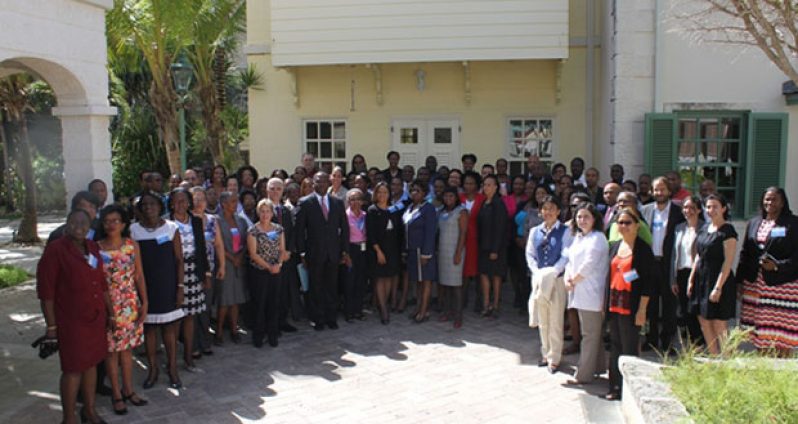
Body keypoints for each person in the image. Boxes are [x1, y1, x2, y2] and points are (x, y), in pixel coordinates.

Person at [37, 209, 114, 424]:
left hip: (95, 317)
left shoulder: (92, 247)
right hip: (71, 321)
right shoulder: (56, 250)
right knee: (73, 369)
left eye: (84, 223)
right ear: (67, 224)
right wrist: (51, 327)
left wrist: (111, 313)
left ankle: (89, 411)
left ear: (90, 226)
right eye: (74, 222)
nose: (79, 226)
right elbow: (46, 293)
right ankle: (69, 418)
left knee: (91, 365)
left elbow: (101, 283)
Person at [97, 205, 149, 415]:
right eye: (107, 221)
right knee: (111, 352)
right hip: (108, 304)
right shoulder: (96, 248)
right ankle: (116, 393)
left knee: (127, 350)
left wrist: (144, 302)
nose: (111, 225)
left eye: (115, 220)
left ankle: (129, 390)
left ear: (124, 224)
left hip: (129, 303)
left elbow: (139, 275)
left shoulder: (131, 245)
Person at [131, 192, 184, 390]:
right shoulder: (134, 230)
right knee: (150, 330)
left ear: (160, 206)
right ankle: (152, 369)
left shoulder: (171, 228)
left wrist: (180, 287)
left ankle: (172, 369)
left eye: (152, 204)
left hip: (168, 286)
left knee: (169, 330)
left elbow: (179, 260)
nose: (149, 208)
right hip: (146, 288)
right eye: (144, 205)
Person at [737, 187, 798, 357]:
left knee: (781, 333)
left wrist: (777, 265)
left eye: (774, 199)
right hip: (754, 285)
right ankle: (763, 363)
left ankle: (783, 366)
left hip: (782, 286)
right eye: (767, 199)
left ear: (783, 202)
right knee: (760, 331)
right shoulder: (754, 222)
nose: (769, 203)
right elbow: (745, 253)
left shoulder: (793, 223)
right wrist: (740, 280)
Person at [605, 208, 655, 400]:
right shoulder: (615, 246)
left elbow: (649, 283)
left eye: (627, 222)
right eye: (620, 222)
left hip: (631, 306)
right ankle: (615, 387)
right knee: (615, 346)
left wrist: (642, 309)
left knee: (630, 348)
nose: (623, 226)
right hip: (614, 304)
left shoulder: (643, 250)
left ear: (637, 225)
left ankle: (630, 389)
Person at [295, 171, 350, 330]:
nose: (322, 184)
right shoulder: (305, 202)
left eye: (325, 181)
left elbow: (344, 228)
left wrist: (344, 251)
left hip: (333, 253)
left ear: (329, 183)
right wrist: (302, 253)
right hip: (314, 253)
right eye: (318, 182)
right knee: (316, 287)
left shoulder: (337, 202)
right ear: (313, 183)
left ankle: (330, 317)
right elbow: (300, 231)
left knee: (331, 287)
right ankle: (317, 318)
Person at [563, 204, 609, 385]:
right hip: (578, 290)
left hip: (592, 292)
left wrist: (573, 280)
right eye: (579, 217)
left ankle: (583, 374)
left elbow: (589, 264)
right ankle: (597, 367)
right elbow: (570, 261)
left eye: (586, 217)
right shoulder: (579, 237)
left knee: (589, 335)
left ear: (595, 219)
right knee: (592, 333)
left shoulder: (598, 239)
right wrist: (568, 278)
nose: (582, 220)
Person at [687, 194, 737, 355]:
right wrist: (691, 278)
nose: (711, 210)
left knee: (718, 322)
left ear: (723, 208)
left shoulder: (728, 231)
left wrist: (718, 287)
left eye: (715, 206)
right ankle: (714, 356)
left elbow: (727, 262)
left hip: (718, 281)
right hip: (702, 279)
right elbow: (699, 256)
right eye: (708, 207)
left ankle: (728, 359)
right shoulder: (704, 229)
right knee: (703, 320)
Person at [641, 177, 685, 352]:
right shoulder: (645, 210)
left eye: (662, 189)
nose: (659, 193)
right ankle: (651, 340)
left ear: (669, 191)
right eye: (656, 190)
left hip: (668, 264)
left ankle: (668, 342)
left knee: (669, 306)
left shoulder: (678, 211)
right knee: (650, 304)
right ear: (652, 192)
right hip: (651, 264)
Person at [168, 189, 210, 373]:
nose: (181, 204)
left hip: (194, 271)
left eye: (184, 201)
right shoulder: (166, 223)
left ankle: (188, 357)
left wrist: (205, 274)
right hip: (174, 273)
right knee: (175, 318)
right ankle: (172, 361)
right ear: (171, 203)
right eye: (177, 201)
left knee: (190, 316)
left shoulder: (196, 220)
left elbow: (201, 249)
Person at [526, 196, 569, 373]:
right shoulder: (535, 231)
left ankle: (555, 357)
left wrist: (552, 272)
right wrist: (537, 272)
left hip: (556, 280)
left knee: (555, 320)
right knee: (542, 318)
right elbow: (530, 254)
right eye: (545, 208)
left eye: (552, 208)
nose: (548, 212)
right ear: (540, 211)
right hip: (539, 279)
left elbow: (566, 255)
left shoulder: (566, 231)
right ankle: (545, 352)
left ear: (558, 211)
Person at [190, 187, 226, 358]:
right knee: (192, 310)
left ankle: (206, 342)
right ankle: (193, 344)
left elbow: (218, 244)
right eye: (195, 199)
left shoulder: (212, 220)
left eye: (201, 199)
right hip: (191, 271)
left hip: (209, 270)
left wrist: (222, 266)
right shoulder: (187, 220)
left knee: (205, 307)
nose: (199, 202)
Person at [247, 199, 285, 348]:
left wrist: (279, 264)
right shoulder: (253, 230)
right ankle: (258, 336)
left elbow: (282, 250)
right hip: (259, 272)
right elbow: (253, 254)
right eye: (262, 211)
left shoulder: (278, 229)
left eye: (267, 211)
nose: (265, 214)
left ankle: (273, 334)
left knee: (274, 303)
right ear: (258, 213)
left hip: (276, 271)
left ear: (272, 213)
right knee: (259, 304)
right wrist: (269, 267)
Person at [266, 178, 301, 330]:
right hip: (269, 258)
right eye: (272, 189)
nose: (275, 192)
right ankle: (271, 323)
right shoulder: (263, 209)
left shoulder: (285, 210)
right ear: (267, 190)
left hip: (285, 258)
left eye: (278, 189)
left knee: (284, 291)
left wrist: (288, 251)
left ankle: (282, 320)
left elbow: (292, 232)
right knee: (271, 292)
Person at [216, 191, 250, 344]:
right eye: (232, 202)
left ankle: (234, 329)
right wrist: (231, 258)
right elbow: (218, 244)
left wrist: (240, 256)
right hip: (225, 263)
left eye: (236, 202)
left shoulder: (241, 220)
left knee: (236, 298)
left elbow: (246, 241)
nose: (235, 205)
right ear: (223, 204)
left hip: (239, 263)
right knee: (224, 300)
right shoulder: (216, 221)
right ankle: (218, 331)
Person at [367, 182, 403, 325]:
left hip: (392, 250)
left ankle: (384, 304)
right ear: (375, 194)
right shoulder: (372, 210)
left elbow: (399, 231)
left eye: (385, 192)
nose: (382, 195)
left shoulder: (394, 209)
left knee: (389, 277)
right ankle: (383, 310)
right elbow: (371, 233)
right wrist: (378, 251)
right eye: (379, 192)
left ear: (389, 194)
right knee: (380, 278)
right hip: (378, 250)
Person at [670, 196, 704, 345]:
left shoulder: (704, 228)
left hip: (697, 273)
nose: (688, 211)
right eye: (685, 207)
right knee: (683, 310)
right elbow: (674, 254)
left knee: (695, 309)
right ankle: (689, 342)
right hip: (682, 273)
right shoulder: (679, 228)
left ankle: (699, 341)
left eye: (691, 208)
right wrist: (673, 279)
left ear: (699, 210)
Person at [403, 180, 438, 323]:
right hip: (411, 250)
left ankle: (424, 311)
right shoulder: (410, 207)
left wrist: (426, 253)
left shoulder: (428, 208)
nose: (414, 193)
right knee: (417, 281)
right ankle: (418, 307)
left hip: (423, 251)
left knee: (426, 281)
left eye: (418, 190)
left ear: (424, 193)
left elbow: (431, 232)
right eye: (412, 190)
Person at [478, 174, 508, 317]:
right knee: (483, 274)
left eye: (490, 185)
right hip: (483, 245)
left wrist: (495, 249)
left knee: (496, 276)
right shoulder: (484, 203)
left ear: (496, 187)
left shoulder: (499, 203)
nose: (486, 187)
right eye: (485, 185)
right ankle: (486, 304)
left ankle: (495, 305)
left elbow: (500, 227)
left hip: (496, 247)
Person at [437, 187, 468, 328]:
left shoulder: (461, 211)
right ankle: (447, 311)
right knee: (445, 284)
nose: (448, 199)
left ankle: (458, 316)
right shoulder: (441, 212)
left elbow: (463, 233)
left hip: (455, 251)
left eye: (451, 196)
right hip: (443, 251)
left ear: (456, 197)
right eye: (446, 196)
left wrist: (458, 253)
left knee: (456, 286)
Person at [460, 171, 485, 310]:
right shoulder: (459, 198)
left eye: (472, 183)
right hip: (462, 239)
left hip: (477, 239)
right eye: (466, 183)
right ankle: (462, 299)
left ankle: (479, 301)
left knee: (478, 271)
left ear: (477, 185)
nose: (469, 186)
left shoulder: (482, 199)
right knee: (463, 271)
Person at [344, 189, 368, 322]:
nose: (356, 202)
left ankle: (358, 310)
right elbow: (342, 237)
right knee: (350, 282)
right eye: (352, 199)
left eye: (358, 198)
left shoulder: (365, 215)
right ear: (348, 202)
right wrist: (345, 254)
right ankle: (349, 312)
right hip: (351, 250)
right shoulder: (345, 216)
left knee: (360, 281)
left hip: (363, 250)